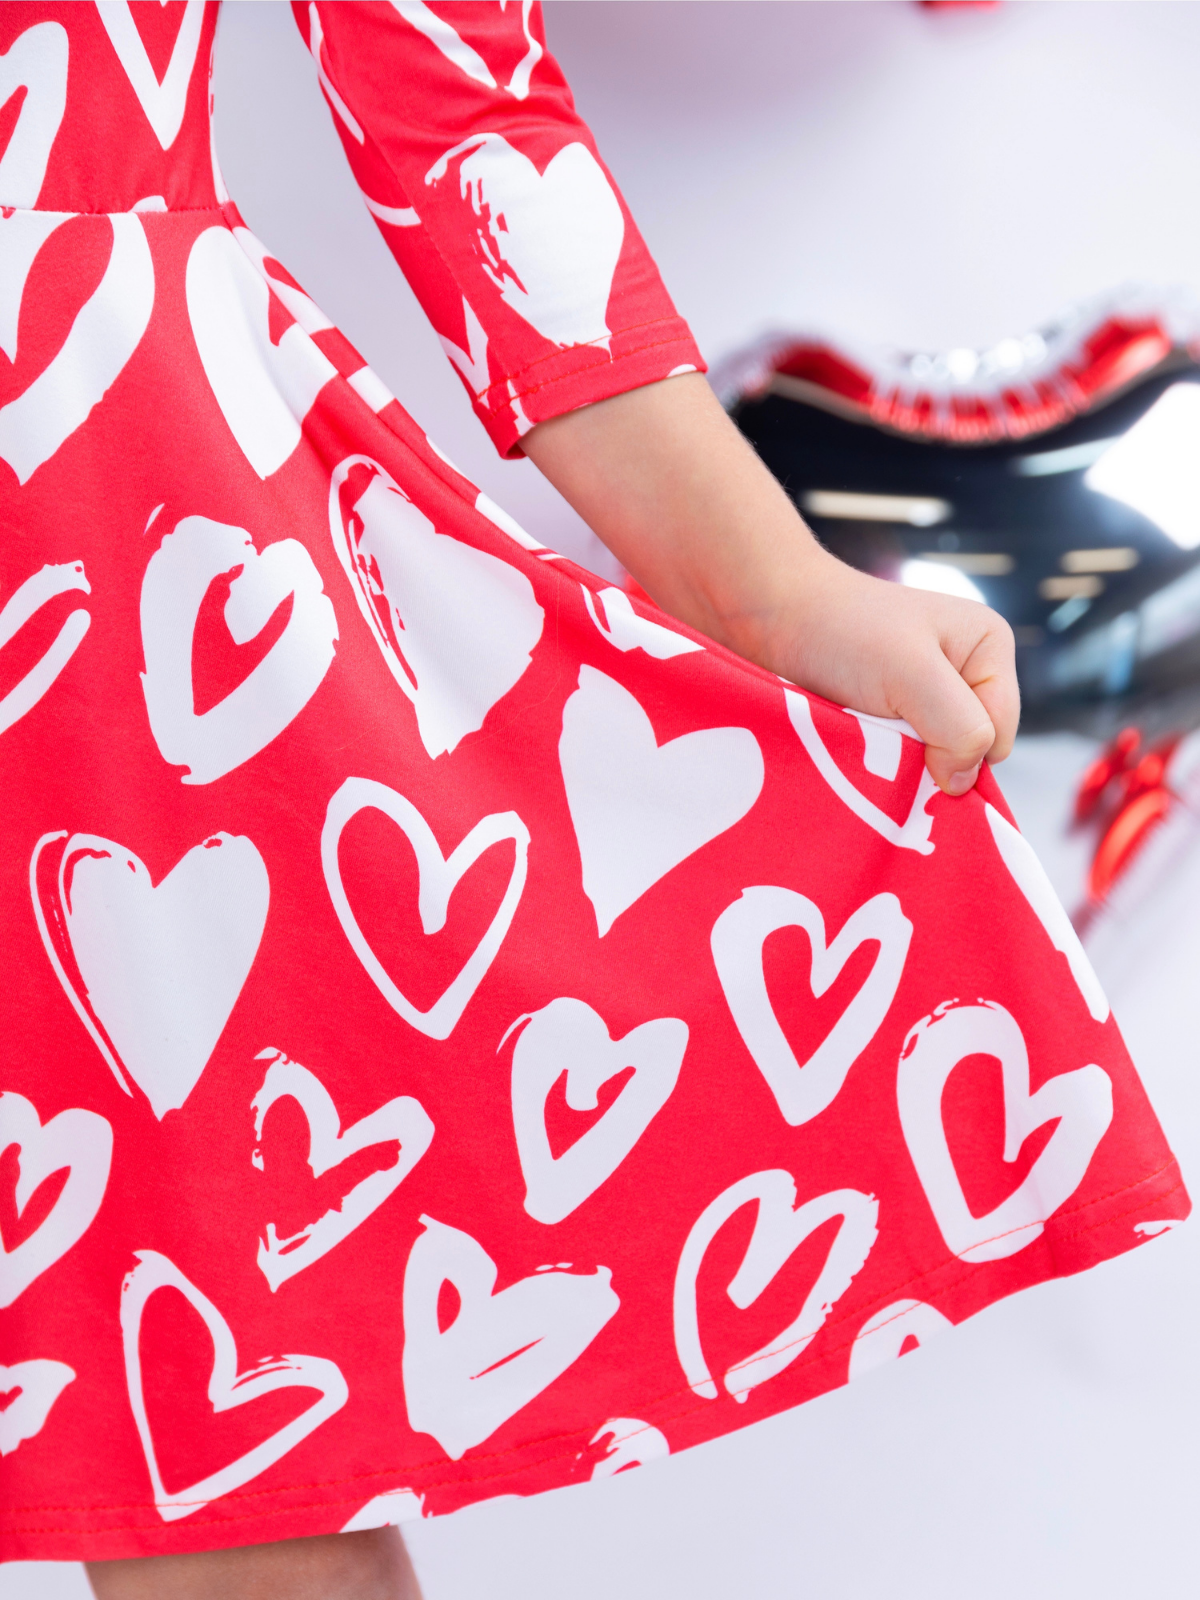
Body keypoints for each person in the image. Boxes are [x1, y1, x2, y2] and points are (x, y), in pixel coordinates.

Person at [0, 6, 1184, 1599]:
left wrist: (769, 592)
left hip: (85, 518)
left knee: (224, 1499)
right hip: (94, 506)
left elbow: (460, 108)